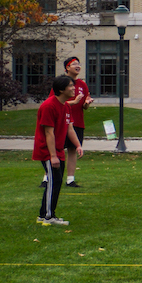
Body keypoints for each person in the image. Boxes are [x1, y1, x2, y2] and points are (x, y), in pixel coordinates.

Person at [35, 74, 81, 226]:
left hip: (59, 150)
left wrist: (78, 145)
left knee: (56, 182)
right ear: (61, 89)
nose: (73, 88)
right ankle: (48, 217)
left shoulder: (66, 106)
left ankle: (45, 214)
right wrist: (53, 156)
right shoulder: (49, 106)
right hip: (48, 151)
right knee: (53, 182)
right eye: (70, 86)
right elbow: (49, 133)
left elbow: (69, 129)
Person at [61, 56, 92, 188]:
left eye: (79, 63)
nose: (78, 66)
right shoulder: (61, 83)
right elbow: (54, 103)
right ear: (67, 67)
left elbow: (84, 106)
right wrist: (74, 102)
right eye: (74, 64)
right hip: (62, 122)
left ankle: (70, 179)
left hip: (77, 122)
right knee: (58, 149)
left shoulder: (82, 84)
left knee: (73, 150)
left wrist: (86, 103)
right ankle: (47, 178)